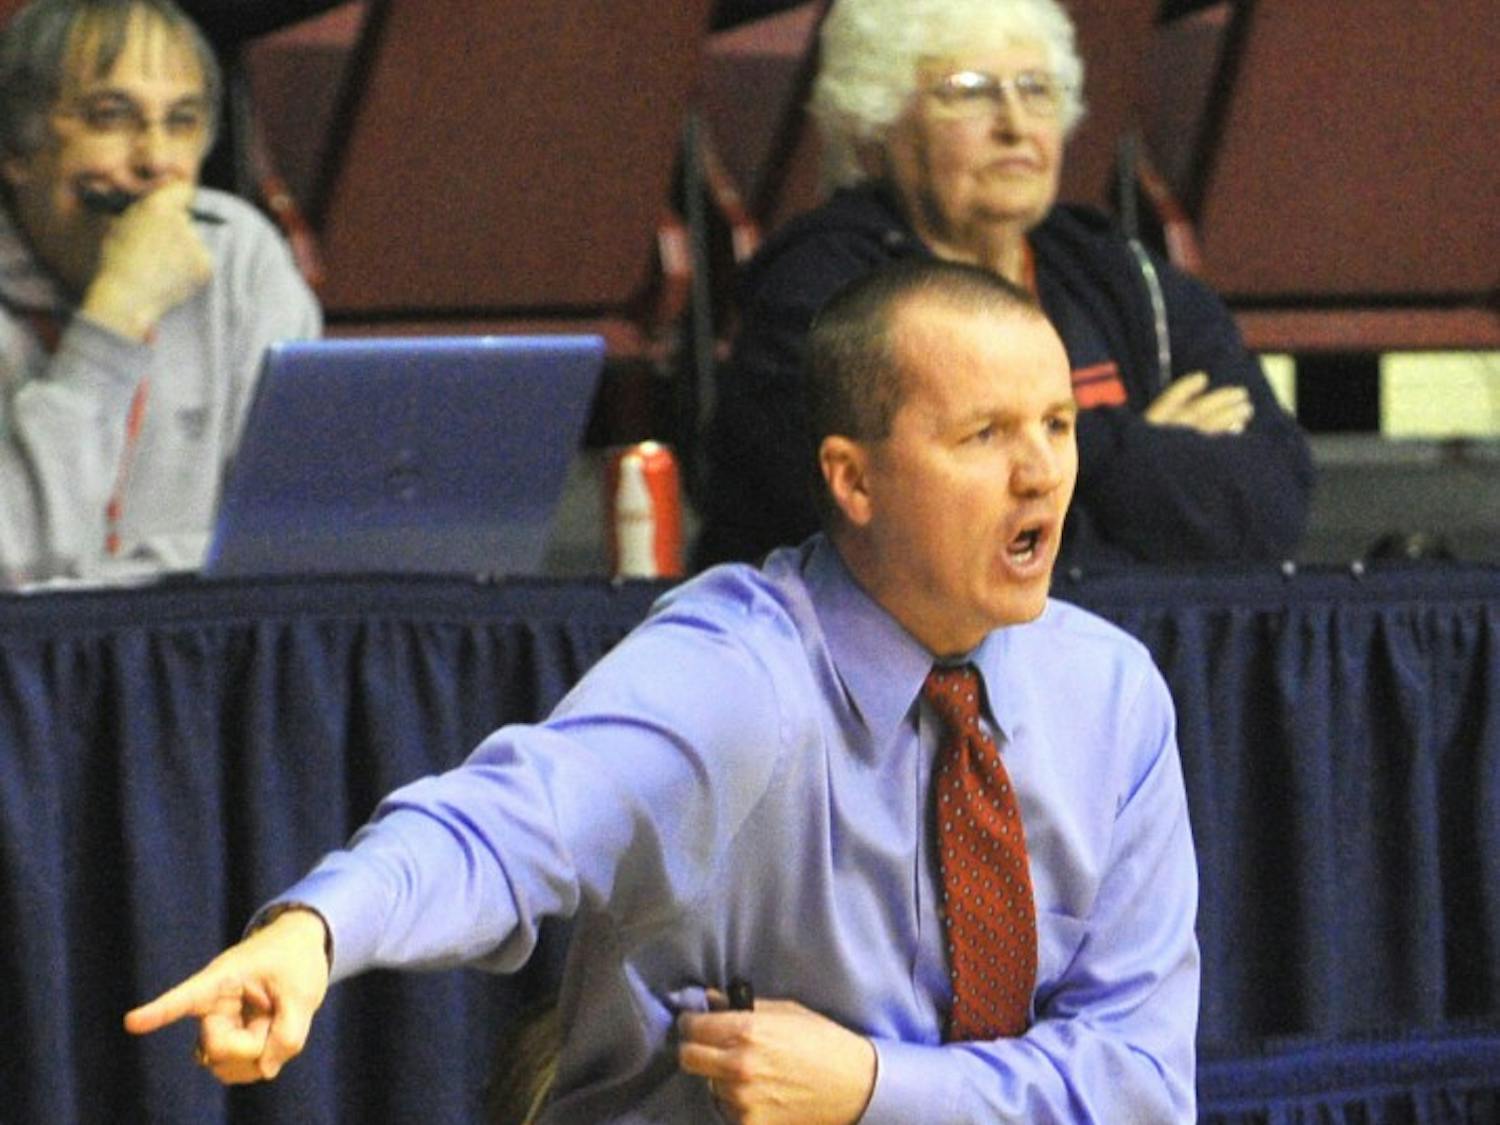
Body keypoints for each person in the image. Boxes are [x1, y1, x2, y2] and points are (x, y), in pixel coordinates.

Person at [125, 260, 1200, 1122]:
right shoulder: (738, 673)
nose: (1042, 473)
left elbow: (1141, 1085)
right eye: (985, 435)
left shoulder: (1108, 694)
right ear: (853, 478)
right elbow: (513, 821)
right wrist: (318, 930)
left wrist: (875, 1088)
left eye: (1056, 425)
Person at [693, 0, 1313, 571]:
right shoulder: (824, 290)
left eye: (1037, 89)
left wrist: (1001, 447)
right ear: (876, 120)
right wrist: (1145, 448)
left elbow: (1274, 498)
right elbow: (925, 535)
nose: (1016, 124)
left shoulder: (1116, 272)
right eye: (971, 93)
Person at [0, 0, 320, 586]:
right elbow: (13, 561)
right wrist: (114, 318)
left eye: (180, 122)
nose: (155, 162)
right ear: (16, 152)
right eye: (111, 117)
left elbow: (288, 540)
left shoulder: (240, 257)